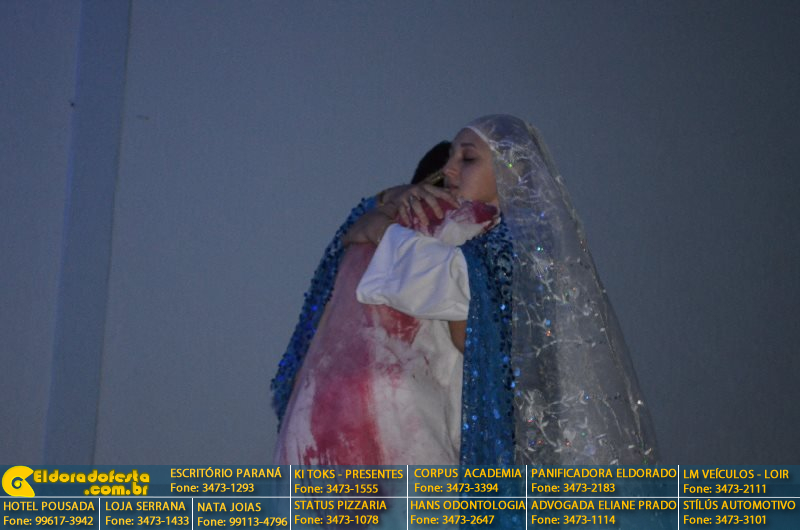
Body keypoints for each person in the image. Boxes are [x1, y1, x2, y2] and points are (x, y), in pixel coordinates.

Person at [272, 115, 658, 466]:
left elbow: (465, 319)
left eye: (468, 158)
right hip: (364, 436)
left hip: (424, 440)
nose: (449, 171)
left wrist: (384, 228)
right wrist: (382, 207)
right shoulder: (448, 232)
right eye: (448, 163)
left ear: (512, 172)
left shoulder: (512, 247)